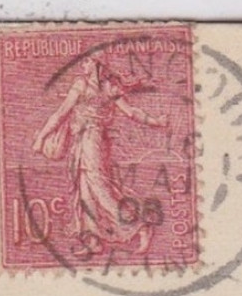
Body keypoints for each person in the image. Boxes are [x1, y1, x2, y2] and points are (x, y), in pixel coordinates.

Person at [33, 55, 167, 254]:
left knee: (99, 188)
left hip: (91, 141)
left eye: (87, 61)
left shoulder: (87, 85)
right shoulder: (105, 86)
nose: (83, 65)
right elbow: (131, 112)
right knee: (85, 189)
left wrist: (41, 138)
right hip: (86, 142)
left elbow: (61, 113)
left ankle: (139, 226)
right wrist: (156, 121)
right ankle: (93, 240)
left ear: (96, 64)